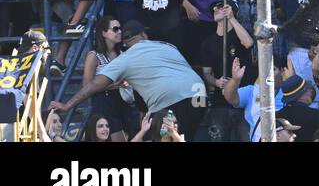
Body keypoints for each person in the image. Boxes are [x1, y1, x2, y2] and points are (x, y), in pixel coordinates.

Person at [51, 21, 204, 141]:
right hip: (199, 94)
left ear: (125, 42)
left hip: (169, 99)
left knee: (161, 138)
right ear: (144, 34)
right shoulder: (167, 45)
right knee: (186, 137)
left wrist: (68, 105)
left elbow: (94, 84)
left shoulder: (125, 58)